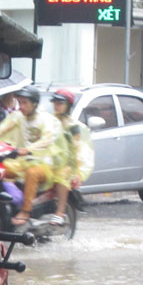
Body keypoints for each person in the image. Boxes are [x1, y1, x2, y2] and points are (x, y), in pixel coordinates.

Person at [0, 85, 65, 226]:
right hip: (21, 162)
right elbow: (0, 131)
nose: (21, 106)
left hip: (44, 165)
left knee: (32, 173)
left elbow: (48, 139)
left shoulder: (46, 120)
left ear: (35, 104)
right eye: (19, 102)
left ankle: (25, 212)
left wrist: (29, 149)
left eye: (25, 103)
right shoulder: (17, 117)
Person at [51, 89, 95, 224]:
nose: (56, 105)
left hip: (65, 164)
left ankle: (60, 211)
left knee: (62, 176)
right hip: (46, 159)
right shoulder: (48, 120)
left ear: (68, 106)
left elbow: (76, 149)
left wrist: (76, 172)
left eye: (60, 103)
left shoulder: (72, 126)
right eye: (55, 102)